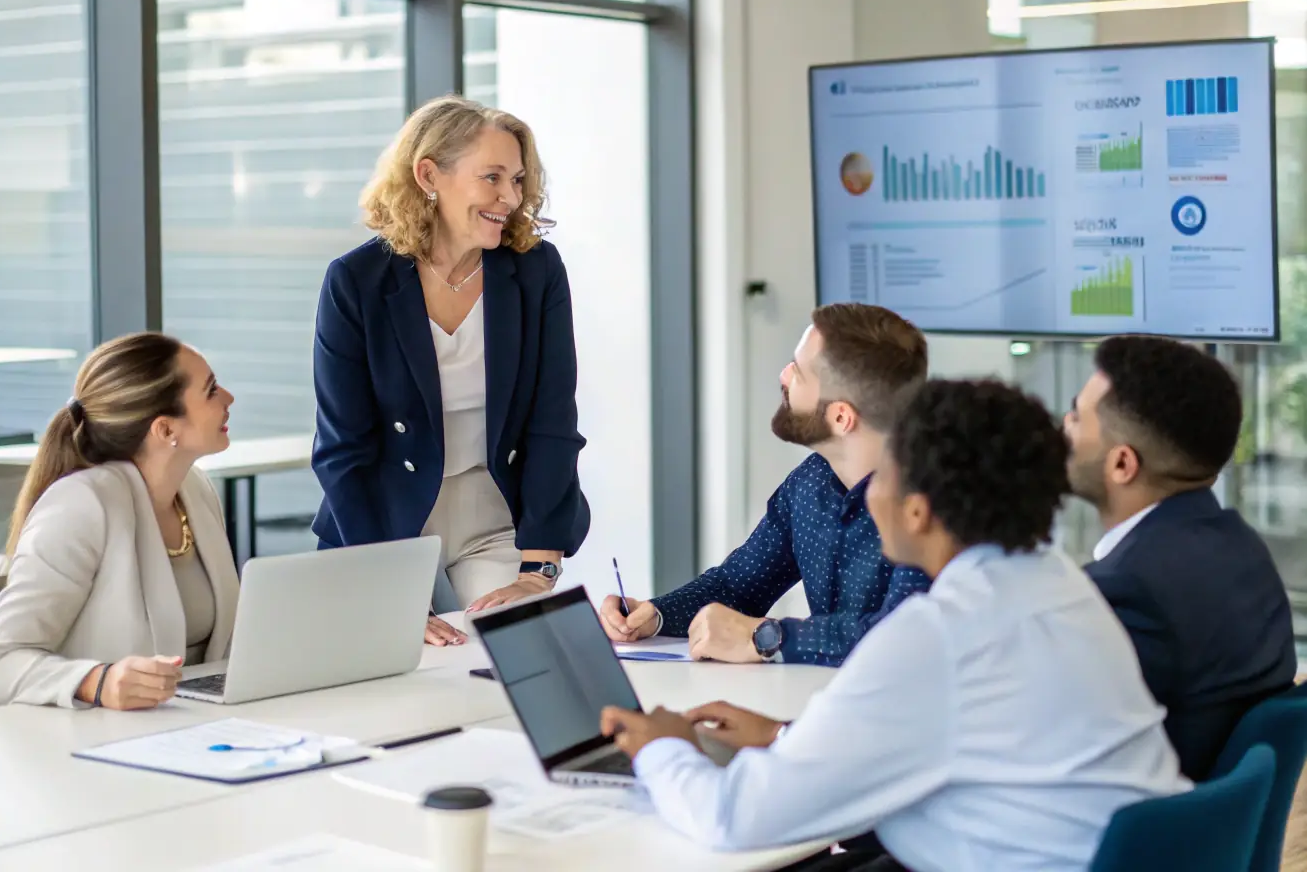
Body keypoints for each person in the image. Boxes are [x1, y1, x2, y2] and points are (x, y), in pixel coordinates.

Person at [601, 379, 1187, 872]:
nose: (868, 491)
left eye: (886, 474)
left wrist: (664, 748)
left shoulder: (935, 634)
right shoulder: (1060, 584)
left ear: (917, 510)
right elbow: (957, 736)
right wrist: (785, 738)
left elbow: (730, 818)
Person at [311, 95, 589, 645]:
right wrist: (385, 588)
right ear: (428, 174)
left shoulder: (536, 271)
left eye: (516, 179)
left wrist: (540, 570)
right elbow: (344, 448)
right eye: (492, 178)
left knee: (523, 653)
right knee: (384, 682)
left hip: (496, 518)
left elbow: (551, 422)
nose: (509, 197)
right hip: (383, 527)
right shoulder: (355, 281)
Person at [600, 303, 930, 666]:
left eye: (800, 372)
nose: (784, 375)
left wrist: (765, 637)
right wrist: (655, 615)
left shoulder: (931, 505)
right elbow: (738, 585)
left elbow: (900, 637)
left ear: (840, 417)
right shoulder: (810, 483)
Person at [1066, 334, 1296, 781]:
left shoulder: (1127, 590)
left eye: (1076, 417)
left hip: (1129, 838)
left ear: (1122, 465)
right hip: (1207, 840)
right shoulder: (1242, 551)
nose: (1062, 426)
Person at [0, 333, 239, 710]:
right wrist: (96, 681)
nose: (229, 398)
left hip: (189, 728)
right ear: (165, 429)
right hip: (92, 742)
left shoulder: (194, 490)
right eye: (211, 391)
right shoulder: (80, 506)